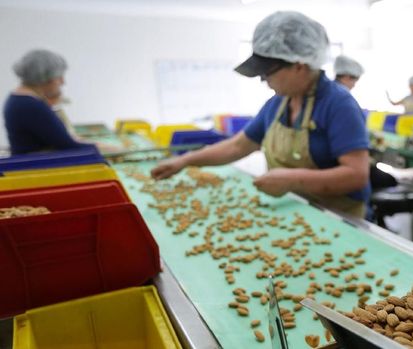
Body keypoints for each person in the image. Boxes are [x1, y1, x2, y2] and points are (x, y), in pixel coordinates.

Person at [151, 11, 370, 218]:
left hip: (338, 216)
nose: (263, 80)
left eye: (267, 73)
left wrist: (292, 179)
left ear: (299, 66)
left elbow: (356, 175)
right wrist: (185, 161)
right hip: (294, 207)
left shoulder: (339, 105)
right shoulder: (277, 104)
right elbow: (238, 146)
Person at [3, 49, 111, 155]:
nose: (63, 82)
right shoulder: (30, 106)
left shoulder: (17, 99)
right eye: (59, 77)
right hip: (37, 167)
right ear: (45, 77)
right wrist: (114, 149)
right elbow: (69, 146)